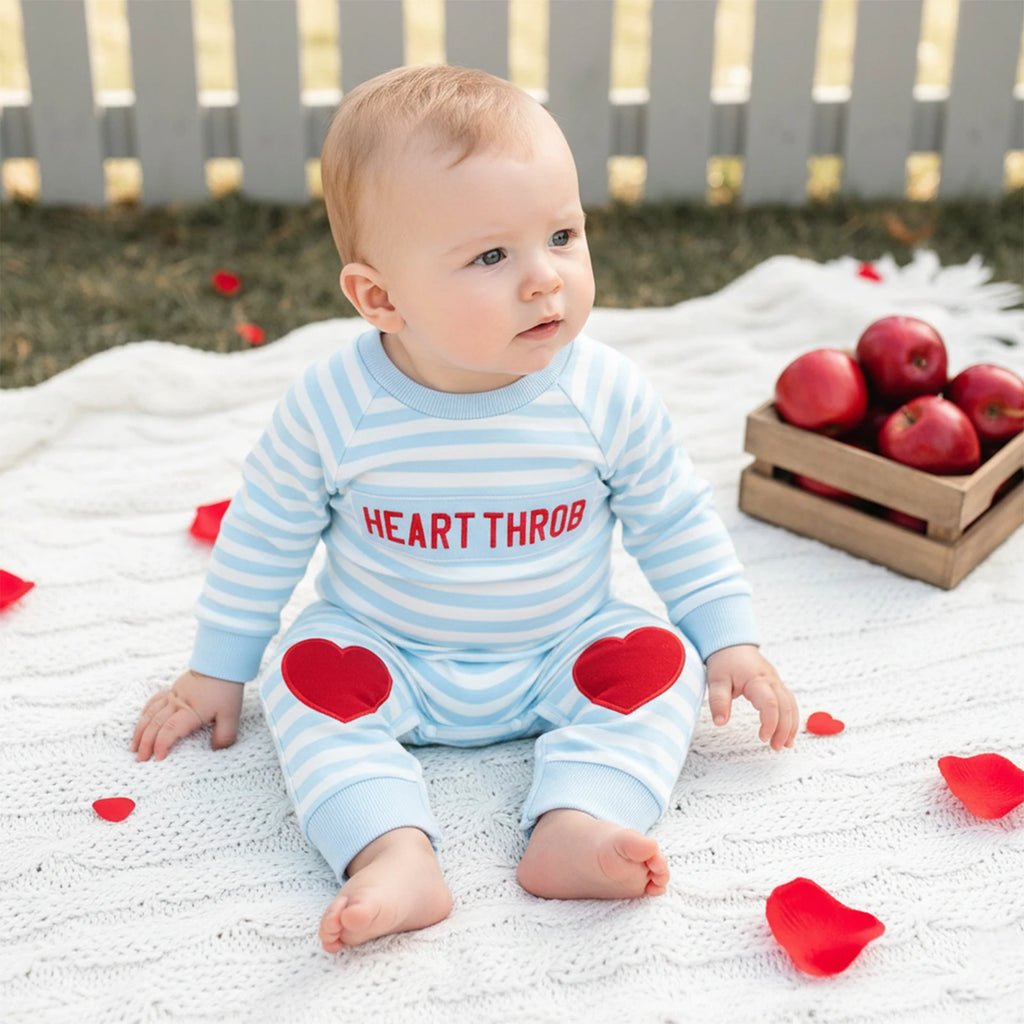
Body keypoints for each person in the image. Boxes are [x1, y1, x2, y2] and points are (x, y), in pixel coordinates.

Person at [131, 65, 798, 953]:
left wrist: (730, 639)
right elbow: (264, 536)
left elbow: (672, 518)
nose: (544, 280)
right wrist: (217, 668)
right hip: (387, 647)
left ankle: (578, 822)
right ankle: (391, 851)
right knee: (299, 676)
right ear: (380, 298)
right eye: (492, 256)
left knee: (661, 664)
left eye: (562, 235)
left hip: (564, 641)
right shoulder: (336, 406)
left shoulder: (604, 392)